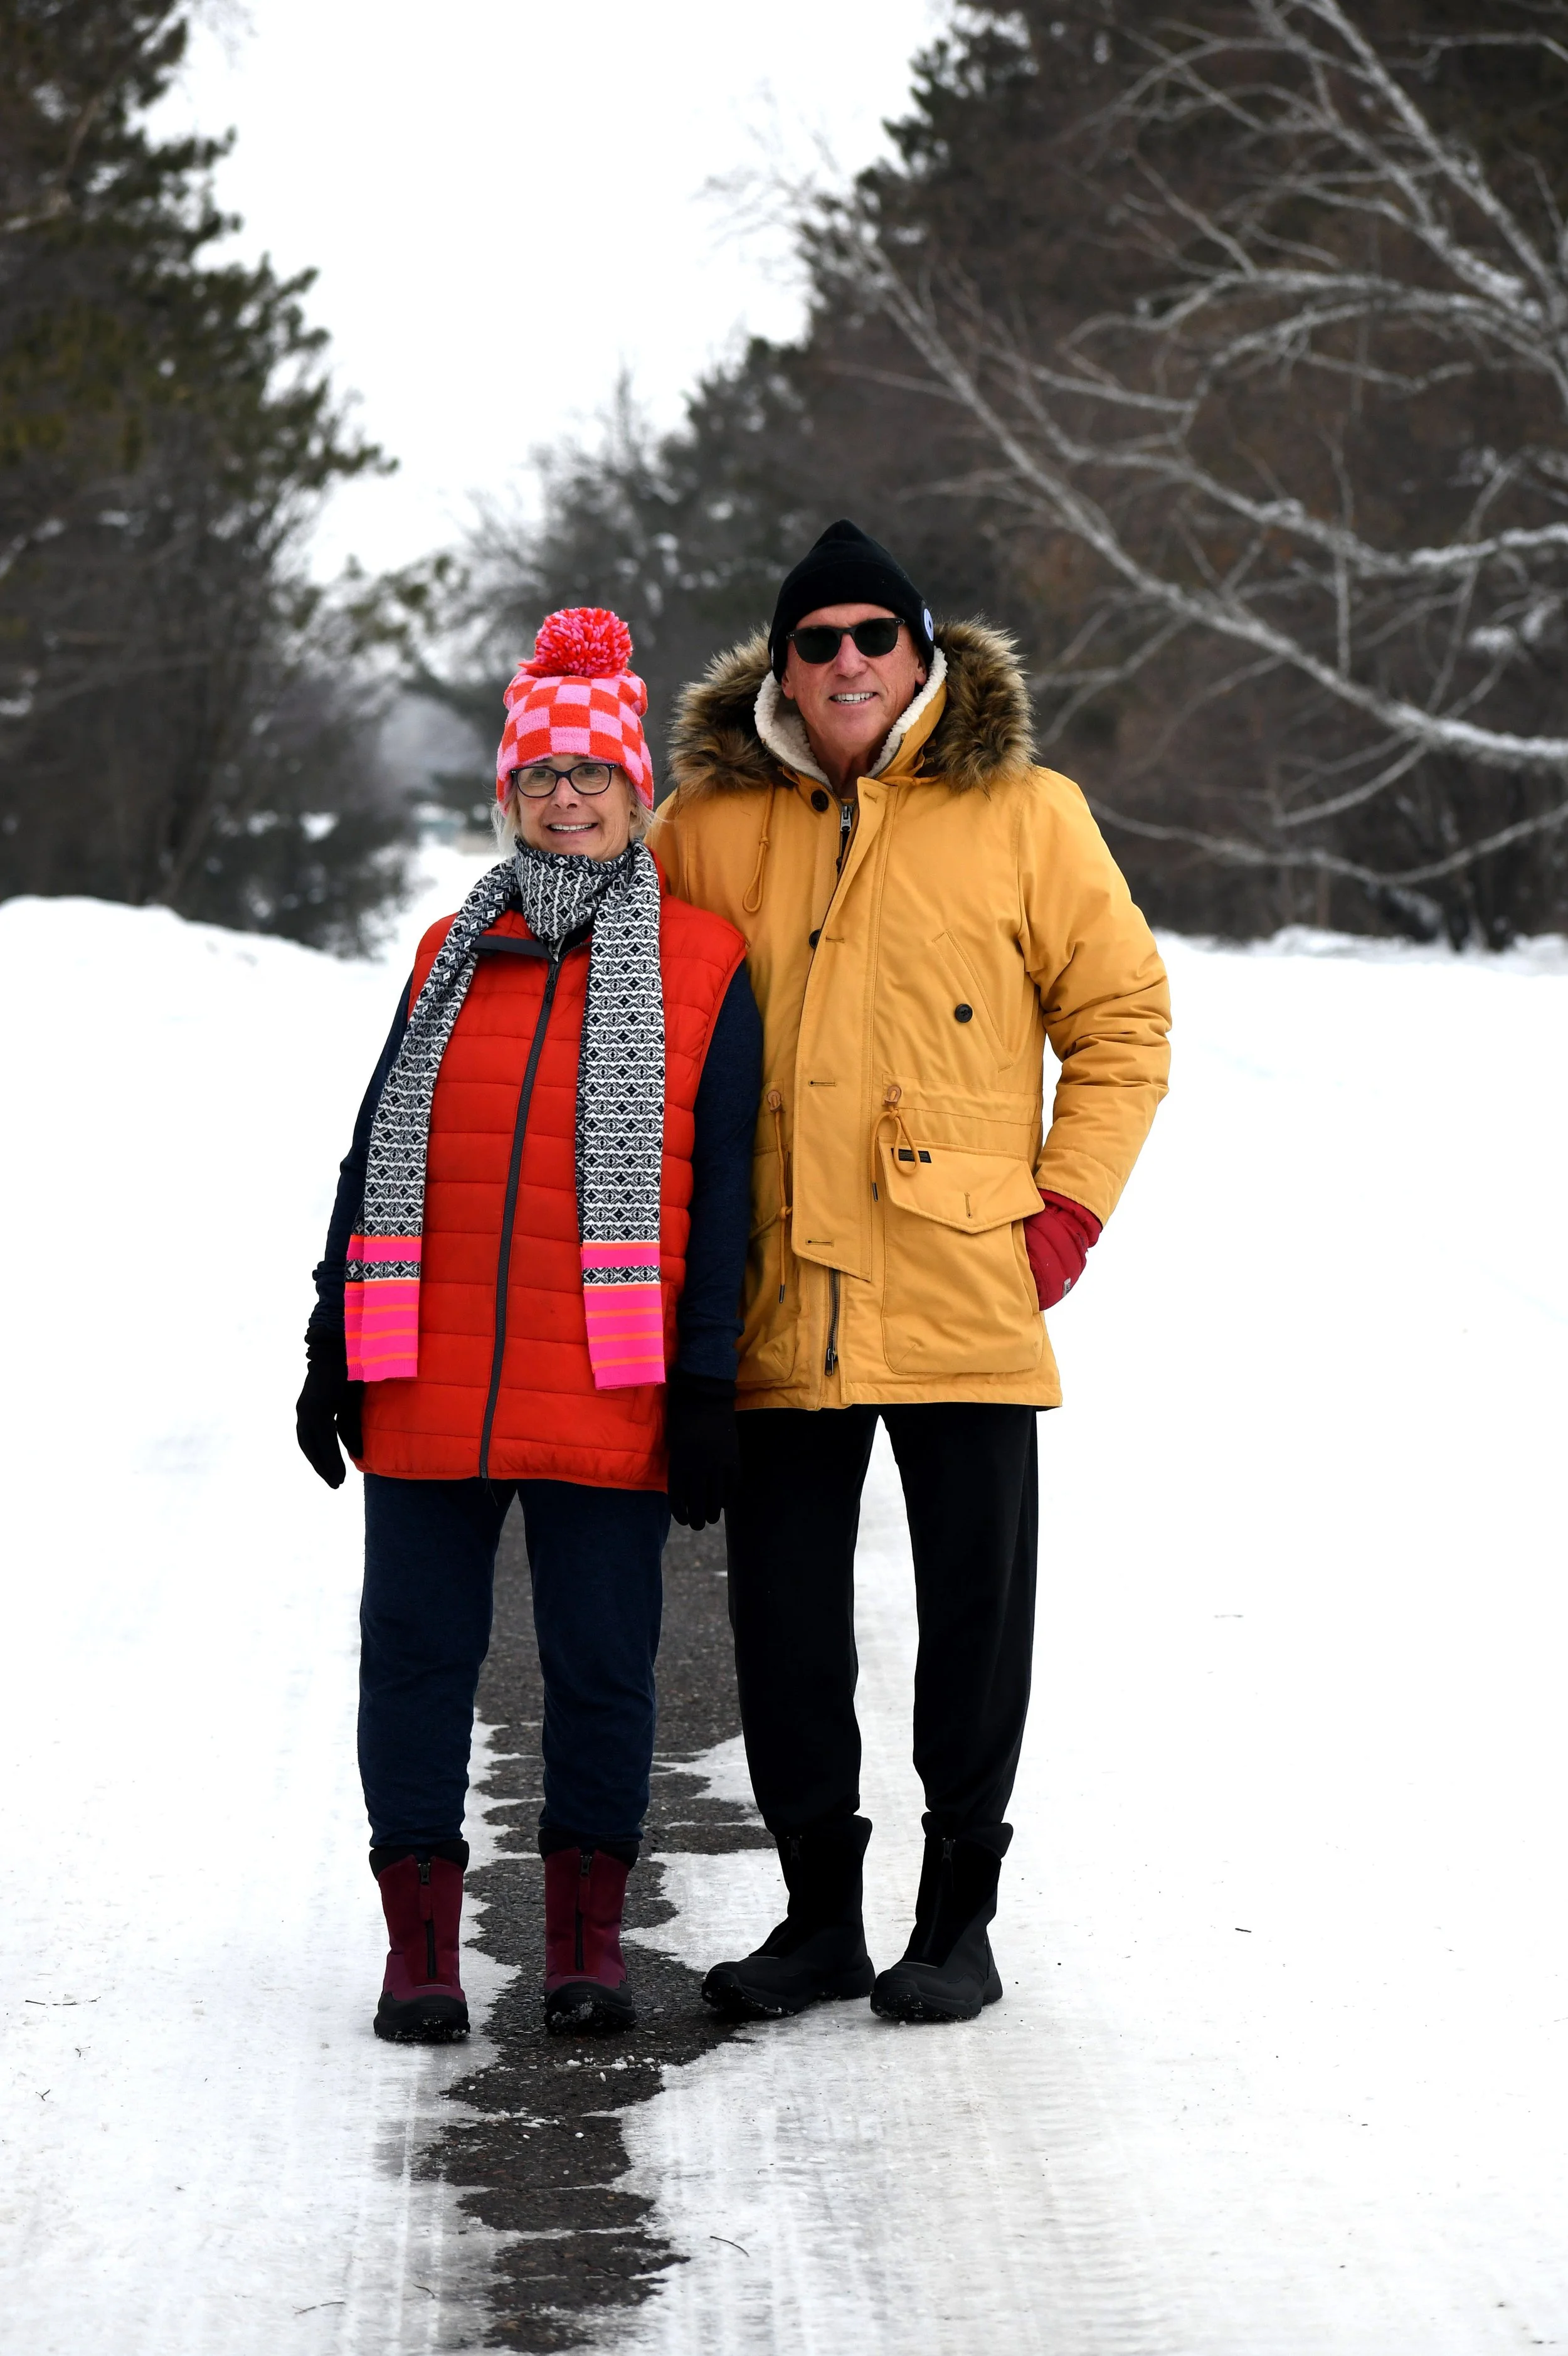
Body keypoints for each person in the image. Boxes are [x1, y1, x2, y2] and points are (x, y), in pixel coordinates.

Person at [649, 521, 1171, 2025]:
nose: (847, 662)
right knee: (786, 1629)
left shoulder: (1025, 812)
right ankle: (818, 1919)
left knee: (972, 1622)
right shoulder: (705, 825)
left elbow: (1122, 1023)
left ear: (921, 652)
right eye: (817, 642)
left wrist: (1059, 1213)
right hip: (773, 1292)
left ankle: (956, 1923)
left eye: (875, 635)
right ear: (783, 668)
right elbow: (645, 1039)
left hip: (960, 1282)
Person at [295, 607, 760, 2040]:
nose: (565, 799)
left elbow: (731, 1187)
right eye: (540, 778)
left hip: (608, 1383)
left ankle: (584, 1945)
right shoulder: (450, 946)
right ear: (507, 795)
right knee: (418, 1660)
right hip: (427, 1370)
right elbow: (378, 1143)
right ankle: (420, 1953)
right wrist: (330, 1335)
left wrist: (702, 1384)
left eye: (592, 776)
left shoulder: (704, 961)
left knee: (600, 1668)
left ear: (636, 795)